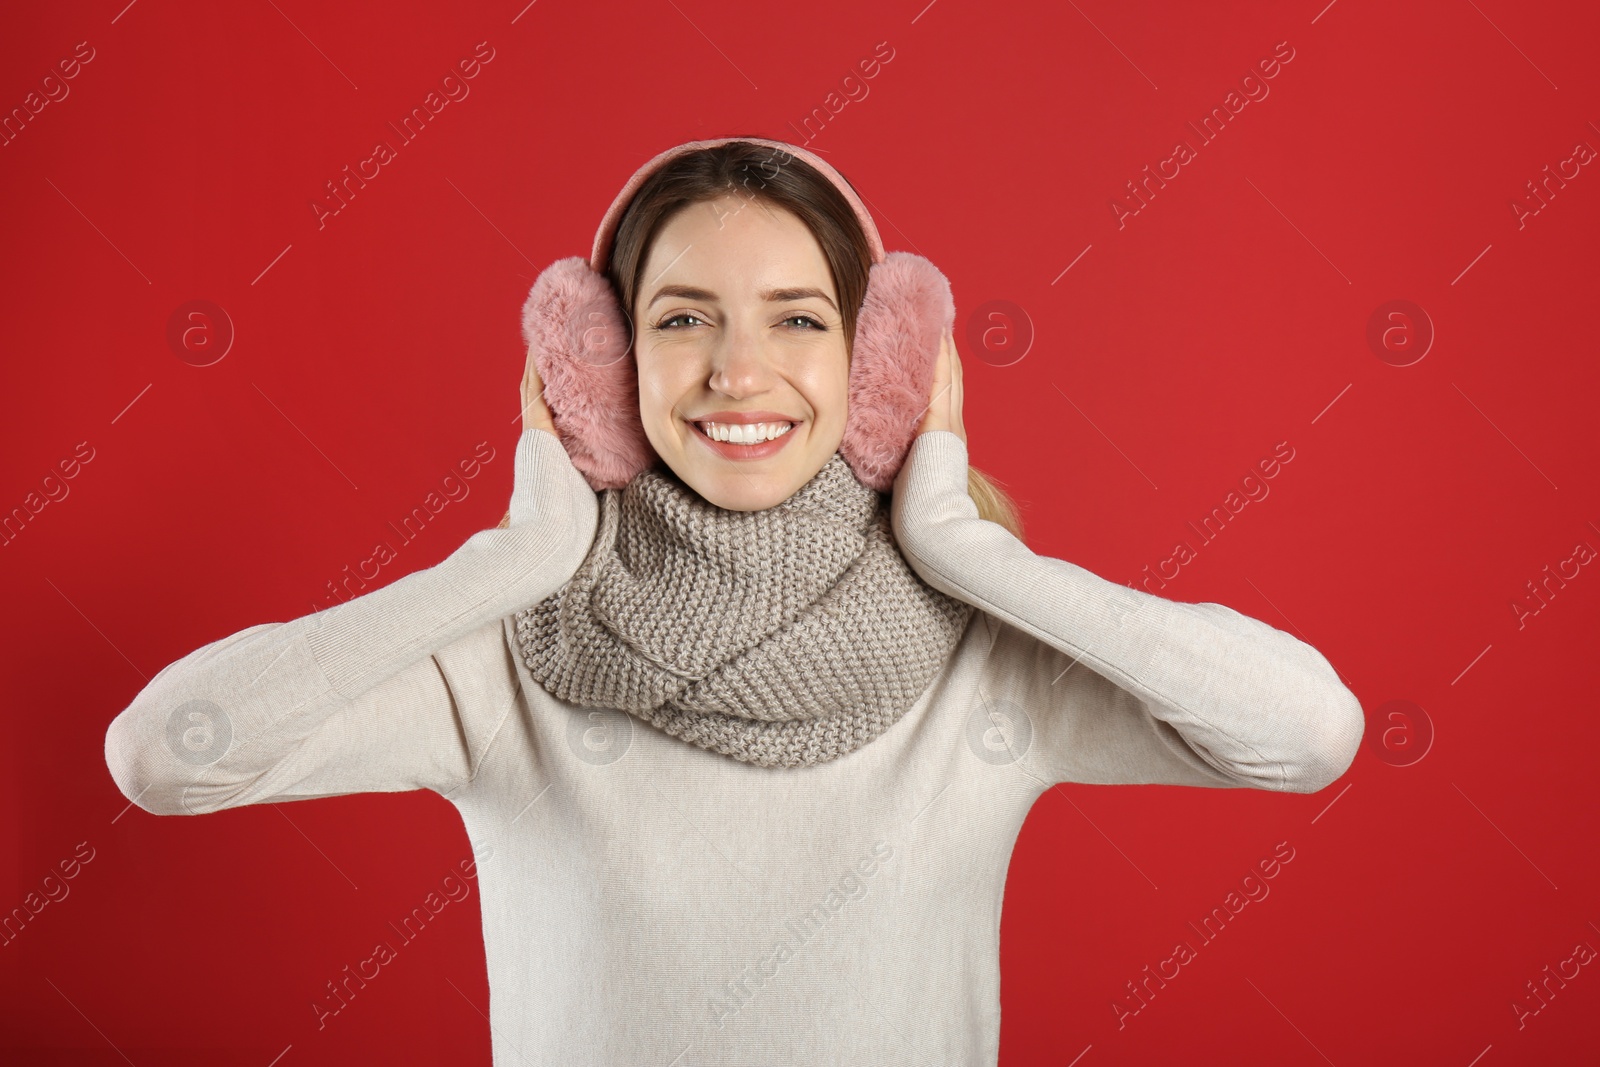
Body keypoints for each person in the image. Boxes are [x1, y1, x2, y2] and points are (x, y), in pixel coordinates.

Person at [104, 136, 1364, 1065]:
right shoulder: (505, 652)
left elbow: (1306, 733)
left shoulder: (985, 662)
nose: (737, 371)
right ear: (598, 374)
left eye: (799, 320)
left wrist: (964, 547)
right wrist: (508, 558)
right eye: (681, 317)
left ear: (878, 372)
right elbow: (166, 754)